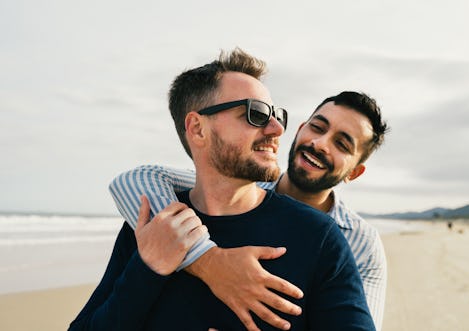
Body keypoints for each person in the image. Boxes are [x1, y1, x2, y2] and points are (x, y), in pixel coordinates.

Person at [70, 48, 375, 330]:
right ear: (198, 129)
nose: (276, 129)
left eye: (276, 115)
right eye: (255, 113)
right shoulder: (154, 224)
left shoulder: (320, 238)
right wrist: (147, 269)